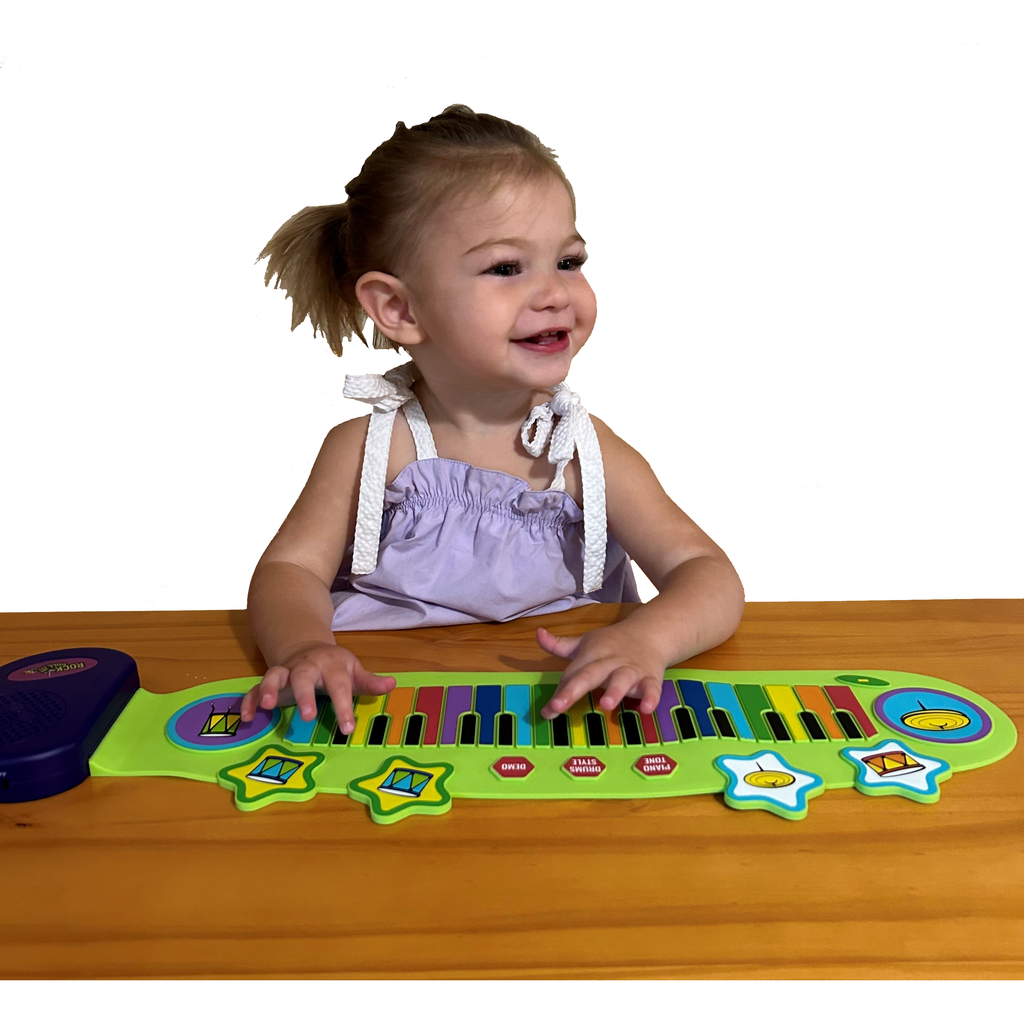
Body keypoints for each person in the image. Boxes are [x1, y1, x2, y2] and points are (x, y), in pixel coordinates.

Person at [240, 104, 744, 736]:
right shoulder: (371, 449)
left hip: (563, 713)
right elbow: (290, 571)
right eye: (506, 268)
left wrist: (648, 640)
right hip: (389, 712)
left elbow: (708, 574)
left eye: (569, 260)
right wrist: (303, 648)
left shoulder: (585, 454)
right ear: (397, 307)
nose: (555, 291)